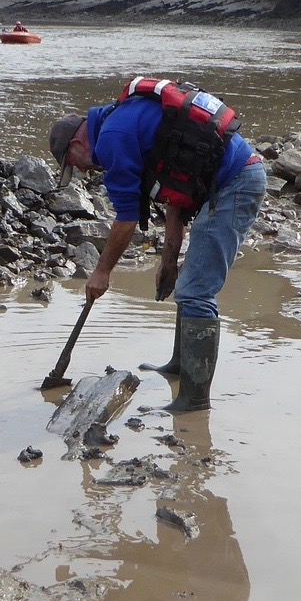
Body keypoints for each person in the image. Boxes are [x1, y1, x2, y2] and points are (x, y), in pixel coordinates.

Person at [47, 78, 267, 411]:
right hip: (230, 179)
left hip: (235, 183)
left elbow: (127, 216)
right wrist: (168, 261)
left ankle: (194, 401)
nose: (79, 169)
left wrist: (101, 272)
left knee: (196, 291)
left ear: (78, 140)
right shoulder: (122, 121)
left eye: (72, 161)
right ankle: (180, 367)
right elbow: (174, 197)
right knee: (187, 285)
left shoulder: (111, 138)